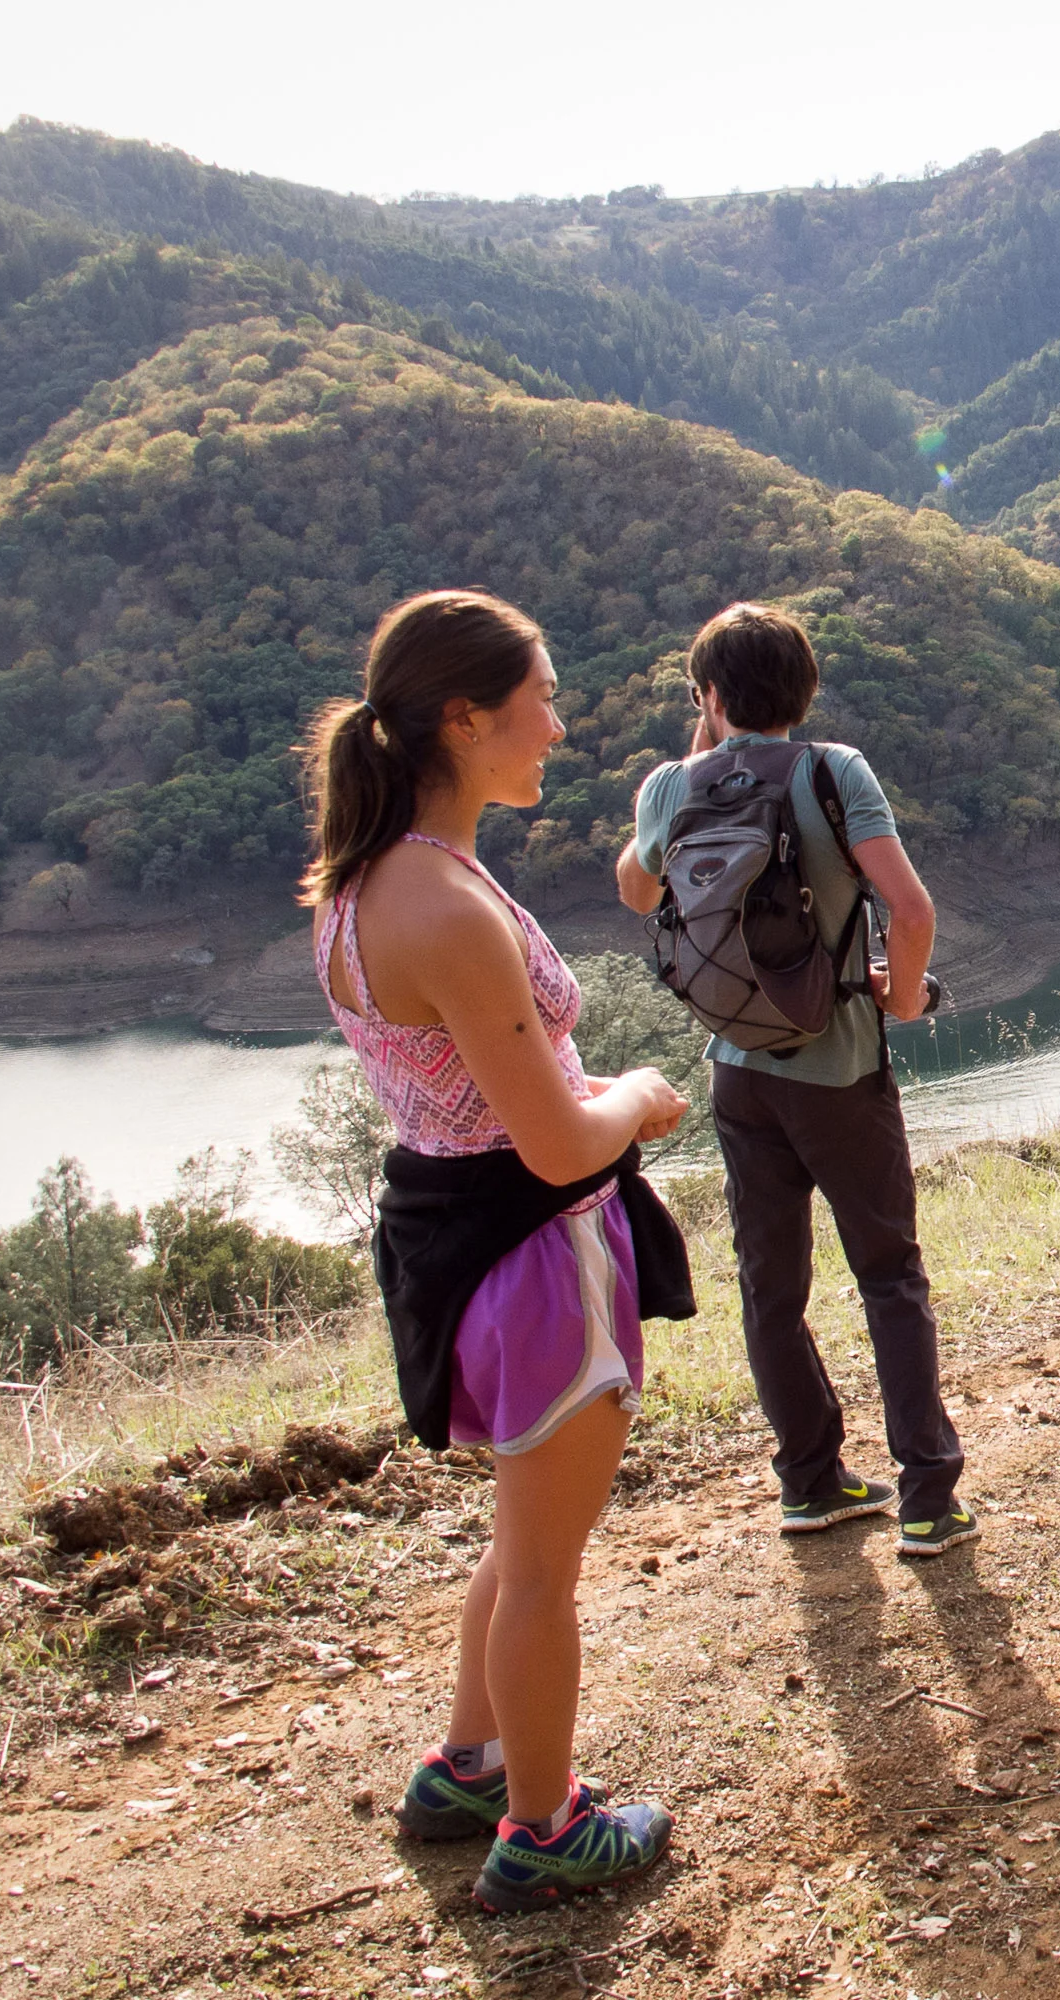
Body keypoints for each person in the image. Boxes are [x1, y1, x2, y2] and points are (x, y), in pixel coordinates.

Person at [303, 589, 694, 1906]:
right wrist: (639, 1094)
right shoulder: (446, 908)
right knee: (543, 1568)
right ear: (464, 718)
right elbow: (557, 1143)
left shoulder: (361, 887)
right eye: (542, 698)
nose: (559, 726)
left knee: (520, 1535)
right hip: (537, 1252)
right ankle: (543, 1826)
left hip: (451, 1233)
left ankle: (467, 1765)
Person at [617, 603, 974, 1554]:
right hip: (841, 1067)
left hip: (738, 1072)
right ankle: (928, 1498)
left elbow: (635, 888)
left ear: (713, 695)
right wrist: (901, 1001)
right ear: (804, 692)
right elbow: (909, 904)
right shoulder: (831, 769)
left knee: (770, 1287)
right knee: (889, 1276)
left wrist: (701, 745)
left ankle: (810, 1483)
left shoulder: (669, 786)